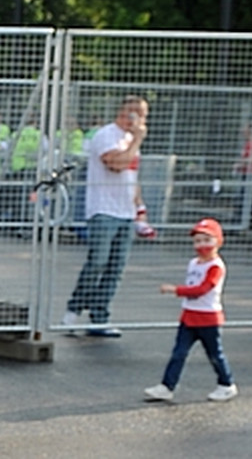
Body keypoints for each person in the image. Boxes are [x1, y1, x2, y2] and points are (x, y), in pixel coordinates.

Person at [62, 95, 148, 337]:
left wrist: (139, 207)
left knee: (115, 267)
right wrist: (137, 140)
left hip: (126, 211)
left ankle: (99, 317)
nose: (143, 120)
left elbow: (131, 175)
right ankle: (73, 309)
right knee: (98, 261)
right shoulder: (107, 135)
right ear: (128, 113)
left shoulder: (131, 140)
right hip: (104, 209)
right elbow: (116, 164)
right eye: (140, 114)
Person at [144, 218, 238, 403]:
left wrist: (175, 290)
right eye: (197, 241)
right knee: (179, 353)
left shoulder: (216, 267)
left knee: (215, 354)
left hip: (209, 319)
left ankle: (226, 384)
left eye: (206, 240)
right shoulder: (194, 263)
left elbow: (202, 289)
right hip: (189, 316)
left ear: (218, 242)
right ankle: (167, 386)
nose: (201, 245)